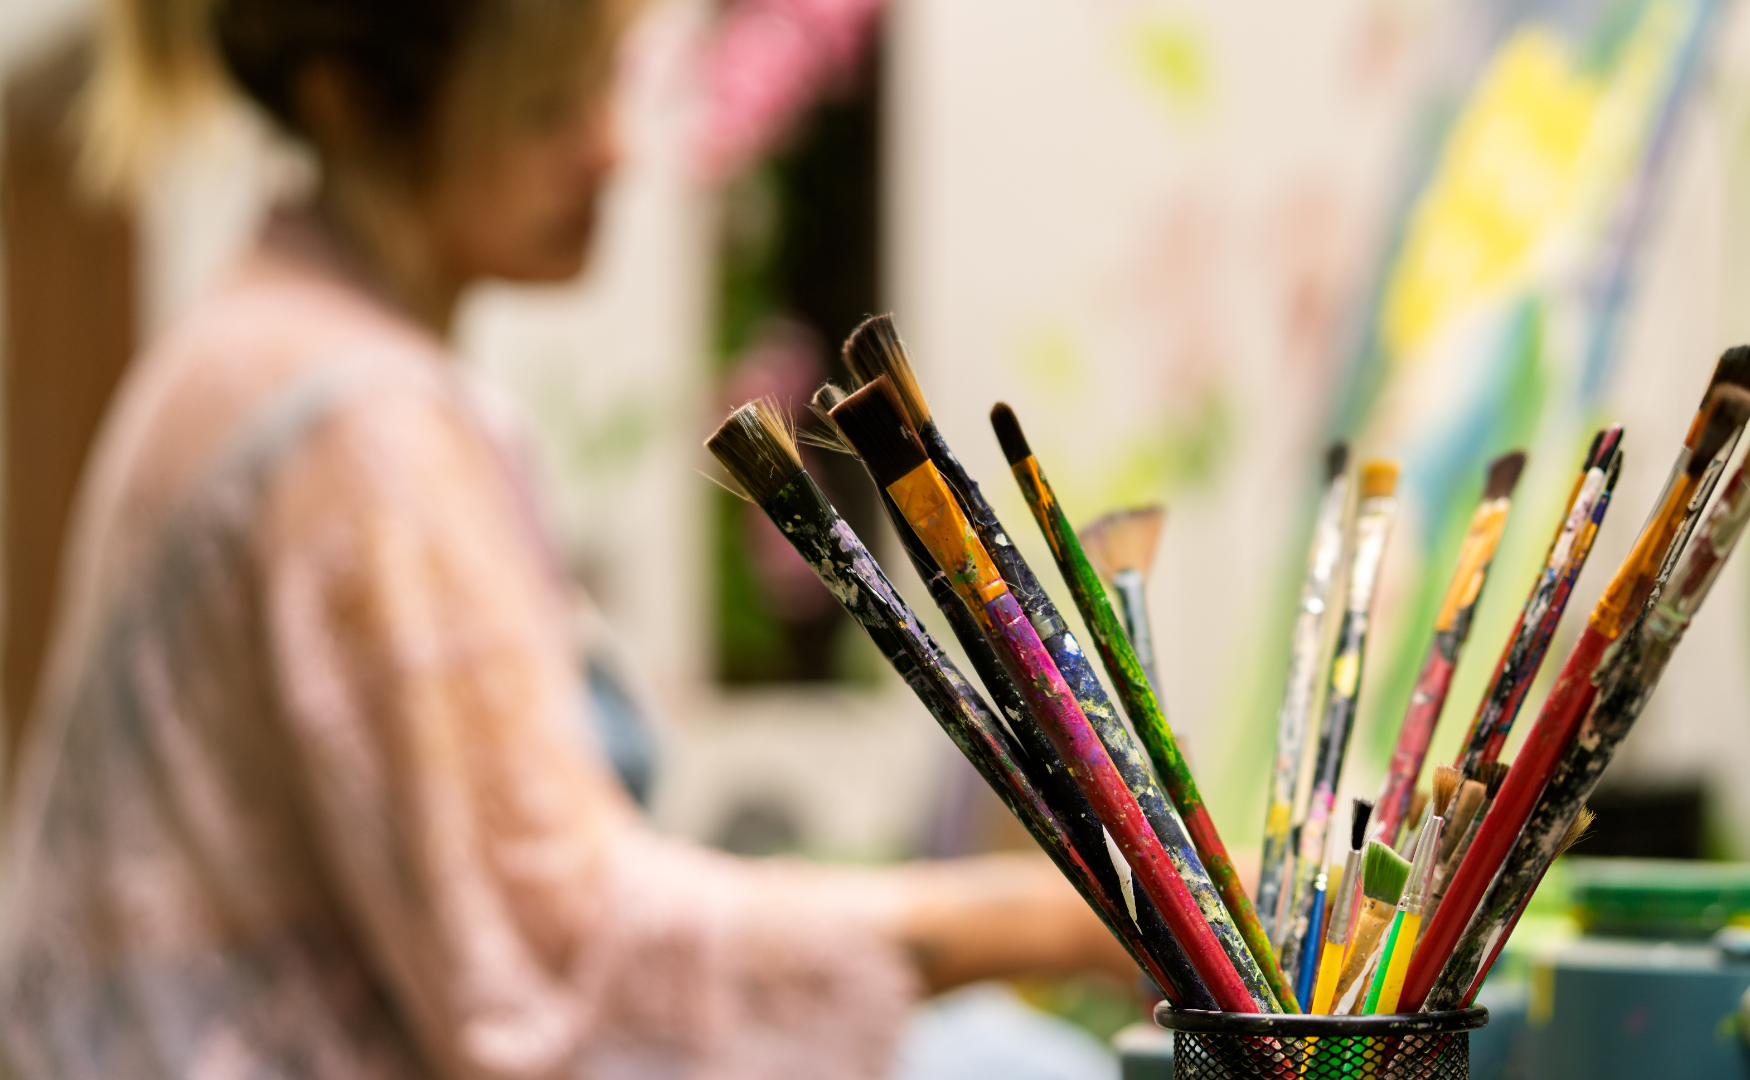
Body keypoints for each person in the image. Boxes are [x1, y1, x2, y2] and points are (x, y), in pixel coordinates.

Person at [0, 0, 1134, 1075]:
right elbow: (564, 965)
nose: (612, 150)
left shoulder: (263, 346)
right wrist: (1053, 920)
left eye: (607, 86)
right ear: (348, 101)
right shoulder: (353, 423)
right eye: (547, 106)